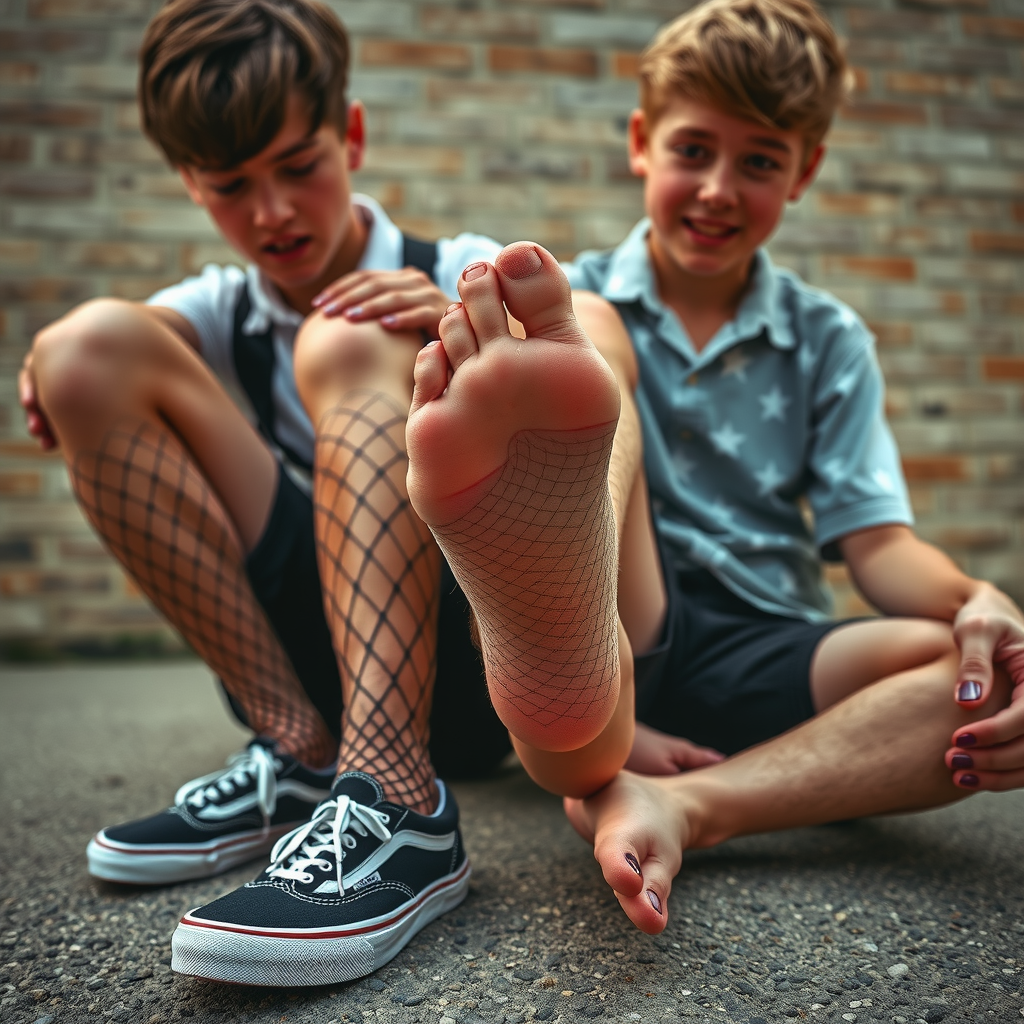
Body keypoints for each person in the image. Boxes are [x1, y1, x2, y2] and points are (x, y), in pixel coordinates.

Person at [19, 0, 638, 987]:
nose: (271, 213)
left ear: (350, 135)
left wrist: (466, 340)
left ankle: (402, 799)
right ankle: (296, 753)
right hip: (311, 664)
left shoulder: (461, 268)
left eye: (298, 166)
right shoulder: (217, 315)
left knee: (350, 334)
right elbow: (98, 364)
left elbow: (589, 368)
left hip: (479, 663)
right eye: (230, 186)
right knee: (83, 347)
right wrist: (56, 376)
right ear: (189, 182)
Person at [547, 0, 1024, 935]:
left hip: (765, 642)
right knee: (576, 343)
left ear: (803, 171)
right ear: (642, 142)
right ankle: (601, 736)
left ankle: (686, 802)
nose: (720, 188)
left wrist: (977, 596)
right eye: (694, 150)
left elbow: (879, 548)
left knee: (986, 680)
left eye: (759, 160)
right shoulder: (579, 304)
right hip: (614, 620)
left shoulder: (827, 339)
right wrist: (608, 706)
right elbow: (521, 531)